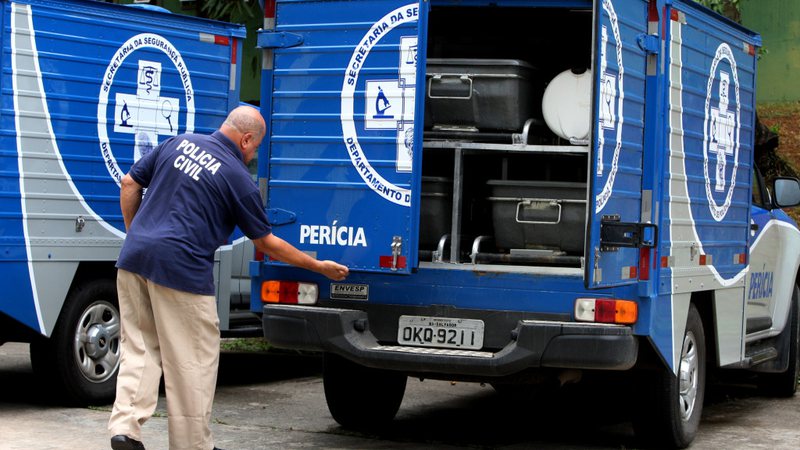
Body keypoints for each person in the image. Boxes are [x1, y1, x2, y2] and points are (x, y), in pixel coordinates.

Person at [108, 106, 349, 450]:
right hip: (183, 271)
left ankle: (125, 430)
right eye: (254, 148)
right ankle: (193, 445)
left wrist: (137, 237)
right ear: (246, 138)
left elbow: (129, 182)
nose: (252, 155)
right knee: (193, 359)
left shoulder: (178, 142)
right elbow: (267, 243)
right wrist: (318, 267)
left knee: (141, 347)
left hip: (133, 261)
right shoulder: (238, 178)